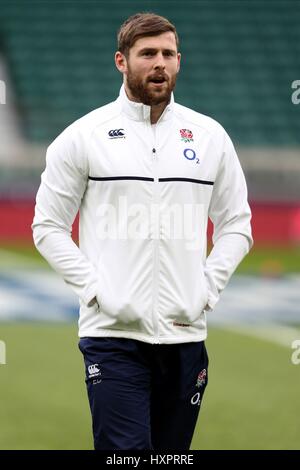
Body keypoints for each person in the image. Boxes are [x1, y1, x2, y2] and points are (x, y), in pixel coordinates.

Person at [32, 12, 253, 451]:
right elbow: (48, 226)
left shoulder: (210, 137)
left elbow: (236, 225)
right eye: (147, 53)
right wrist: (96, 290)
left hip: (186, 337)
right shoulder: (83, 137)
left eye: (168, 54)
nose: (160, 63)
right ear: (121, 60)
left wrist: (206, 289)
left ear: (179, 61)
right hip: (112, 338)